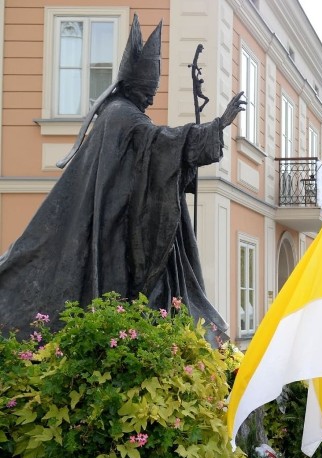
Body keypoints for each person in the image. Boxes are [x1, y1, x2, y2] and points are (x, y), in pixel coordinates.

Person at [0, 15, 245, 343]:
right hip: (117, 229)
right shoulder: (123, 116)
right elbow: (159, 142)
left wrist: (191, 147)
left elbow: (157, 148)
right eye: (151, 87)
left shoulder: (118, 113)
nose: (154, 95)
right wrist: (216, 126)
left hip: (117, 221)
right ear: (137, 83)